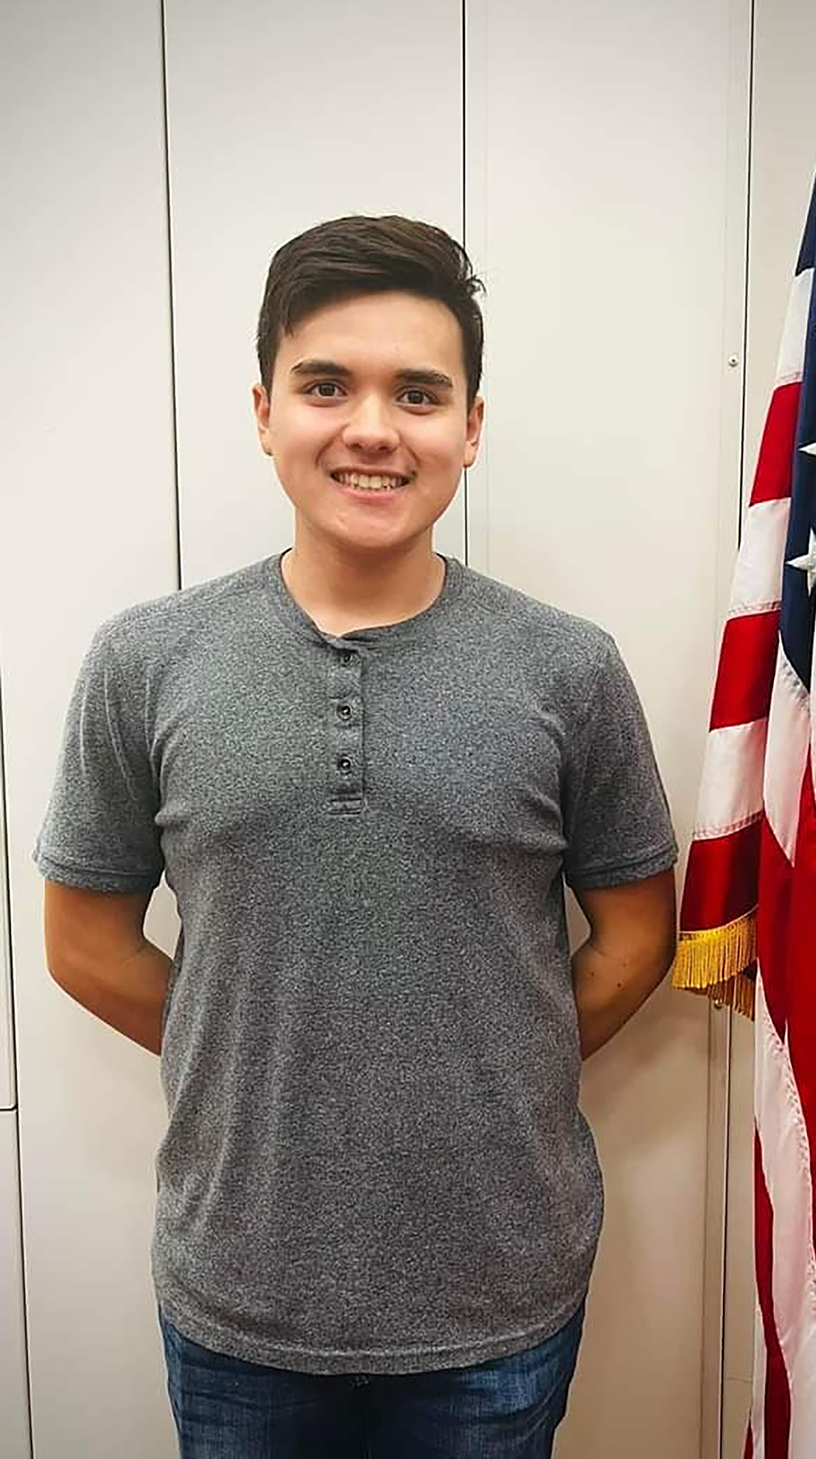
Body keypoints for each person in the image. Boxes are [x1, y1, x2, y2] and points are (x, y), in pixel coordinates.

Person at [34, 214, 679, 1458]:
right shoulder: (146, 661)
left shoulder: (568, 669)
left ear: (471, 428)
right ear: (264, 409)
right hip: (240, 1297)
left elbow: (636, 937)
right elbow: (83, 942)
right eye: (326, 384)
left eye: (419, 393)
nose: (373, 427)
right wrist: (260, 1052)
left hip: (497, 1298)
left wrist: (488, 1055)